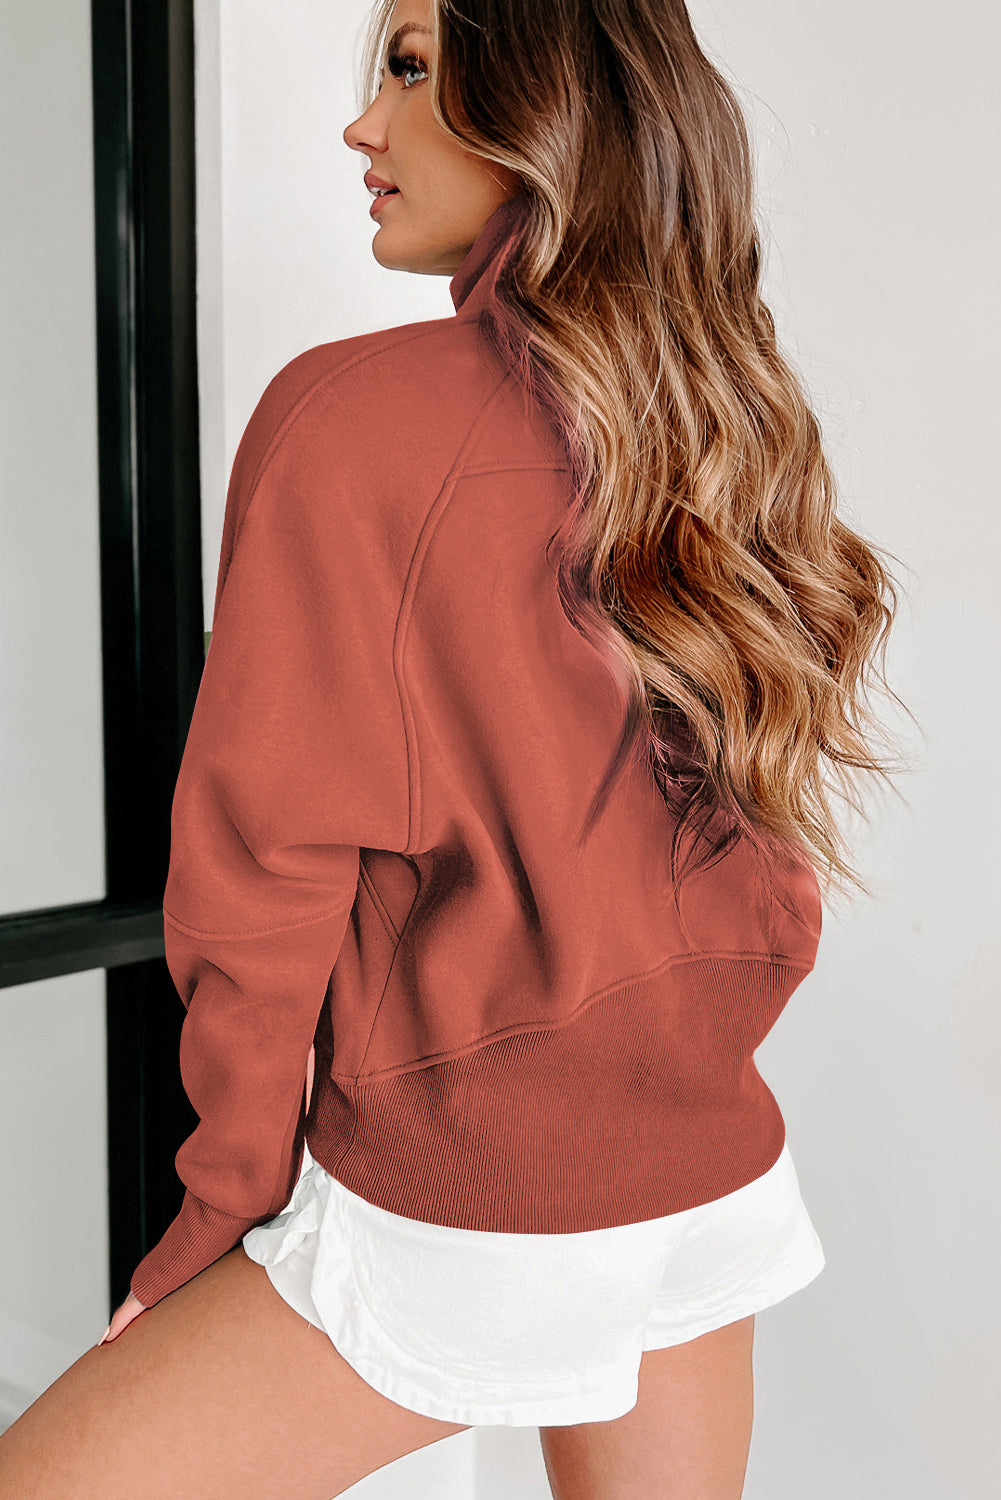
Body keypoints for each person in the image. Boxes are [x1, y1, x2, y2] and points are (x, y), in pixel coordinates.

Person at [0, 0, 906, 1495]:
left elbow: (265, 877)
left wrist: (217, 1217)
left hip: (477, 1202)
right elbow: (753, 831)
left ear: (547, 105)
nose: (365, 124)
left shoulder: (347, 419)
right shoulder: (720, 412)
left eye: (413, 69)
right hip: (707, 1166)